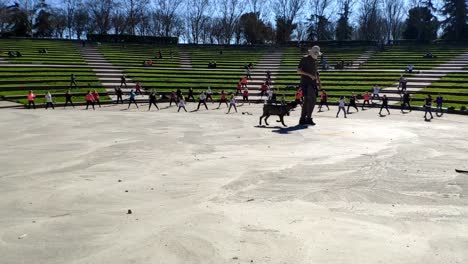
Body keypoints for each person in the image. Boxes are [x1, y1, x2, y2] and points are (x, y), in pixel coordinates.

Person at [297, 45, 322, 125]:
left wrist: (319, 82)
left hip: (313, 83)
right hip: (305, 82)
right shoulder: (304, 59)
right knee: (313, 99)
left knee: (307, 100)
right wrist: (309, 75)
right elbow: (298, 71)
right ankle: (308, 118)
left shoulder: (315, 60)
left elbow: (316, 72)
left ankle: (303, 119)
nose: (316, 56)